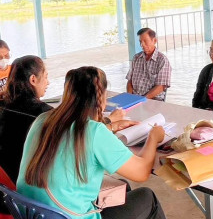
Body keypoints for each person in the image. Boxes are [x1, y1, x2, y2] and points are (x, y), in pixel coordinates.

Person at [17, 66, 166, 219]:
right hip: (67, 215)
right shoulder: (94, 131)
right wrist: (153, 138)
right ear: (101, 97)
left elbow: (72, 137)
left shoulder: (43, 120)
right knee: (147, 197)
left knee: (122, 187)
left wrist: (110, 127)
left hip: (35, 212)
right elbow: (141, 172)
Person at [0, 55, 52, 183]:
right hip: (31, 184)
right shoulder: (45, 113)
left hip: (7, 184)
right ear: (33, 79)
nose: (48, 82)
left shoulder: (3, 106)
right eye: (45, 77)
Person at [126, 28, 171, 101]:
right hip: (135, 98)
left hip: (153, 100)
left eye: (145, 41)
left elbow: (161, 86)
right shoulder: (136, 58)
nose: (142, 45)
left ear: (154, 41)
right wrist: (129, 97)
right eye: (140, 42)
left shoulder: (162, 60)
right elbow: (130, 80)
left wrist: (142, 100)